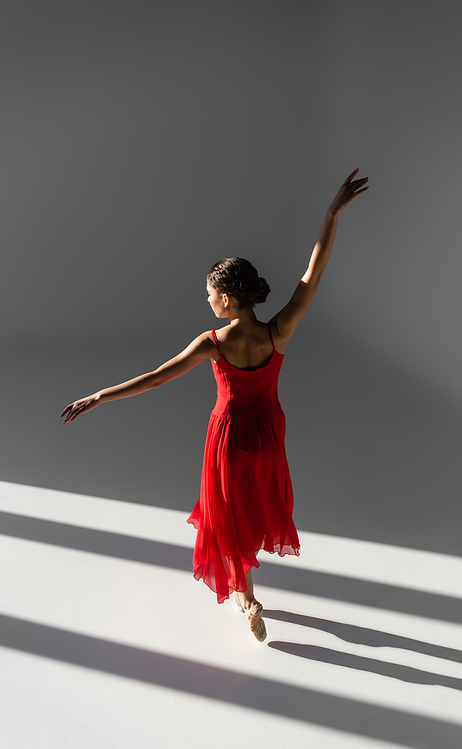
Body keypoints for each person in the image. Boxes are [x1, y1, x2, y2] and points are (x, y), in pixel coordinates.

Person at [61, 168, 369, 642]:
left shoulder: (212, 343)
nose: (206, 299)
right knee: (253, 506)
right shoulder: (277, 331)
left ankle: (247, 600)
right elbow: (314, 273)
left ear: (226, 299)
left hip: (227, 437)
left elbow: (156, 379)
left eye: (209, 294)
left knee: (227, 516)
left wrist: (102, 394)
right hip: (267, 434)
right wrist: (331, 214)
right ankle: (247, 598)